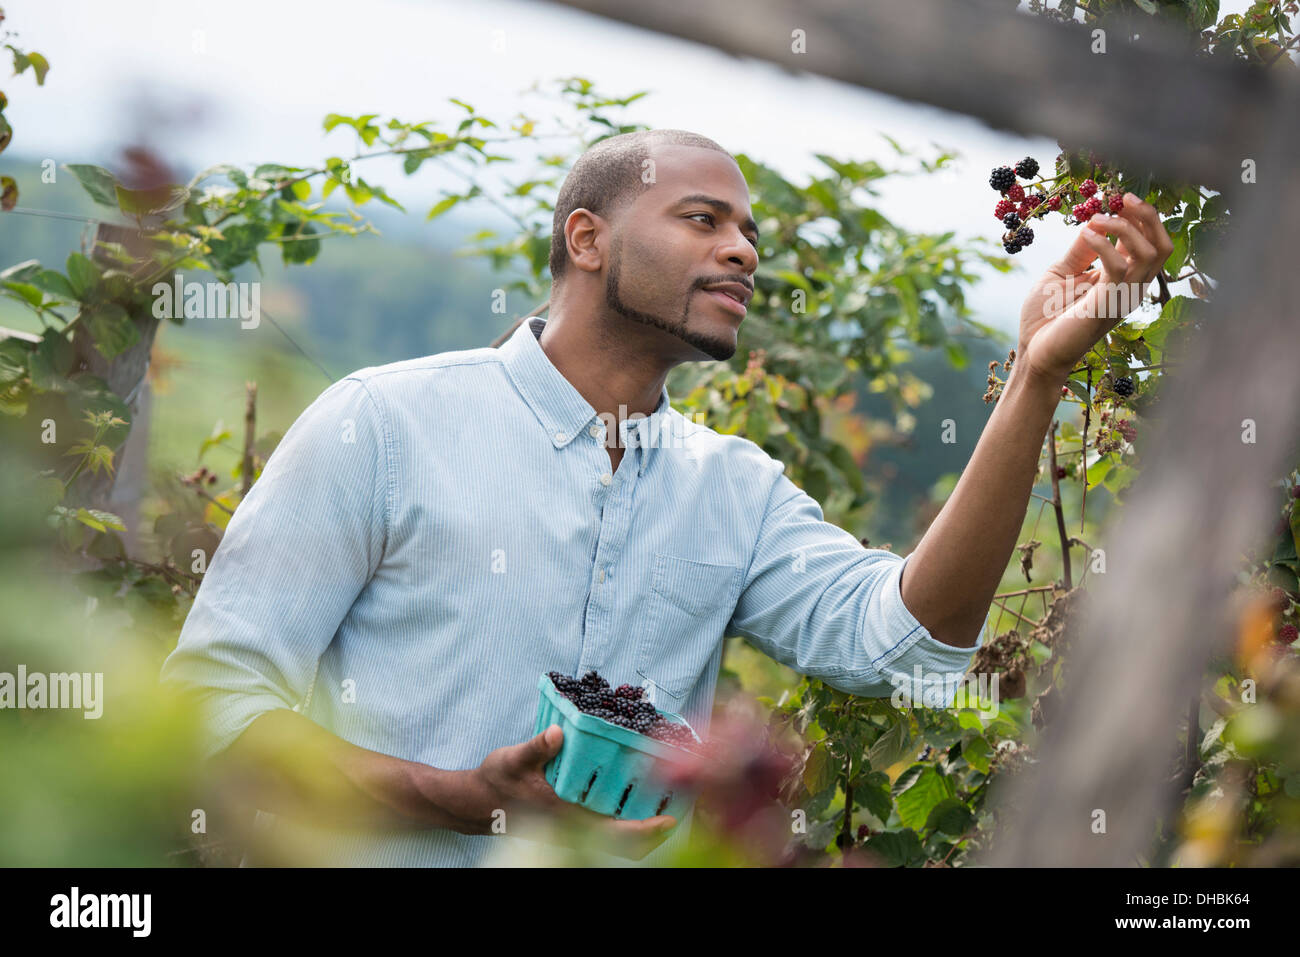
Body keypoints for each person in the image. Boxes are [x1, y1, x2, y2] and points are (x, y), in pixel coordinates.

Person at [159, 128, 1172, 866]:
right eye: (703, 220)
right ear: (588, 239)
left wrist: (1034, 376)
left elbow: (905, 651)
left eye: (747, 231)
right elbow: (208, 712)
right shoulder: (379, 425)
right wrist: (456, 798)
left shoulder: (732, 490)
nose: (743, 250)